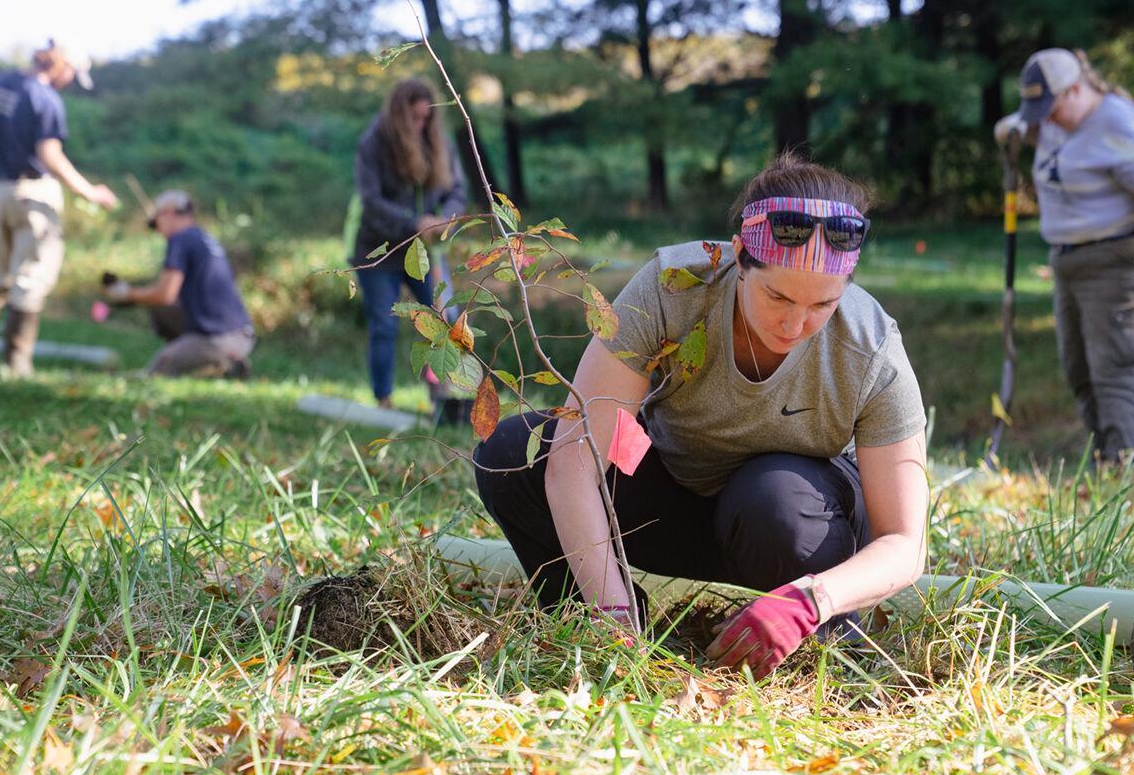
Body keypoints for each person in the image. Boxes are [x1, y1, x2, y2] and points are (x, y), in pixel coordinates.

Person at [474, 153, 930, 680]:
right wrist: (613, 617)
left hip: (794, 526)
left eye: (821, 305)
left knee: (772, 499)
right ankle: (595, 621)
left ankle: (809, 641)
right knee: (513, 452)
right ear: (739, 259)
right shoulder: (673, 288)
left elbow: (904, 543)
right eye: (777, 296)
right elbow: (576, 462)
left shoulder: (870, 348)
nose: (795, 323)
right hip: (678, 494)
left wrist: (812, 600)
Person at [995, 48, 1134, 461]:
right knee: (1079, 372)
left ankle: (1123, 478)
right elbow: (1032, 131)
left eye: (1050, 107)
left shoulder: (1119, 123)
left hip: (1118, 260)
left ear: (1076, 90)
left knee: (1112, 370)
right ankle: (1104, 463)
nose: (1044, 118)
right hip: (1068, 262)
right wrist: (1012, 131)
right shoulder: (1055, 119)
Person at [0, 39, 119, 375]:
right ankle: (16, 366)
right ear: (61, 65)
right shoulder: (46, 98)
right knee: (31, 279)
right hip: (35, 196)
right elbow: (50, 155)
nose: (69, 82)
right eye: (71, 75)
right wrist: (91, 192)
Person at [352, 78, 468, 409]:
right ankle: (383, 400)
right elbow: (370, 201)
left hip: (427, 252)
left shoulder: (439, 142)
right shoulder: (374, 143)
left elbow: (457, 192)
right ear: (399, 115)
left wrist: (442, 218)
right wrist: (412, 223)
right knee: (385, 324)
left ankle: (440, 398)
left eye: (426, 119)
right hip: (379, 251)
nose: (420, 125)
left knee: (444, 319)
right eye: (414, 119)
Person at [101, 189, 255, 378]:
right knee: (161, 309)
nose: (158, 231)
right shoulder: (202, 237)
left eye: (155, 223)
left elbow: (165, 295)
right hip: (242, 335)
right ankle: (213, 360)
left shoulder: (180, 239)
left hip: (217, 339)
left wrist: (126, 294)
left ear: (169, 213)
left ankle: (220, 365)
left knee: (162, 365)